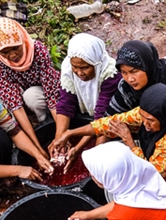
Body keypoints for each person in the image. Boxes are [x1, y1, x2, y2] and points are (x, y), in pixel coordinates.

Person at [56, 84, 166, 210]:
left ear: (164, 117)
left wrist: (129, 141)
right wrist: (70, 133)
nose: (145, 124)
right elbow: (111, 123)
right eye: (143, 118)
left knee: (124, 186)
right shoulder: (149, 113)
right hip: (161, 166)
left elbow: (148, 173)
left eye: (151, 121)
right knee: (115, 153)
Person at [0, 18, 61, 158]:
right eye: (5, 52)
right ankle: (42, 124)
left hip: (44, 91)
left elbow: (52, 95)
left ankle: (49, 122)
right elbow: (15, 106)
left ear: (21, 39)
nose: (13, 55)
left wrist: (61, 135)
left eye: (16, 47)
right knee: (25, 97)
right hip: (25, 97)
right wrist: (37, 148)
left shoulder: (37, 50)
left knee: (31, 96)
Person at [50, 33, 121, 170]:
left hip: (107, 116)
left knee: (99, 155)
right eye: (75, 67)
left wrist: (78, 148)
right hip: (88, 113)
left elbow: (101, 118)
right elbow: (66, 103)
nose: (79, 72)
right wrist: (59, 138)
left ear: (96, 64)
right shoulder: (68, 68)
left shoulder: (110, 74)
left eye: (84, 68)